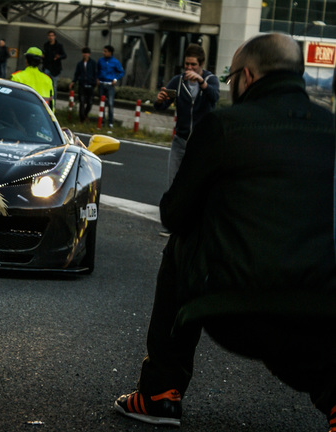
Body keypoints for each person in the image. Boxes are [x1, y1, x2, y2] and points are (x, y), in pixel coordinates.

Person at [113, 33, 336, 430]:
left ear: (247, 77)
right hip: (320, 314)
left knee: (182, 243)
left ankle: (161, 392)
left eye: (232, 79)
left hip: (232, 309)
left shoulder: (223, 126)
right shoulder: (331, 129)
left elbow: (175, 215)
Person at [154, 43, 219, 237]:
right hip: (180, 139)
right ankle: (171, 223)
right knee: (173, 181)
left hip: (201, 142)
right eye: (187, 65)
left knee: (199, 182)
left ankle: (198, 223)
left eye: (193, 65)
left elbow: (214, 97)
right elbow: (163, 105)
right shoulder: (178, 80)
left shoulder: (210, 79)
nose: (189, 69)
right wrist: (160, 100)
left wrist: (202, 82)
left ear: (201, 65)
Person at [11, 47, 54, 111]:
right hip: (41, 117)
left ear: (26, 60)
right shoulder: (48, 79)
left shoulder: (16, 77)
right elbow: (51, 106)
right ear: (39, 62)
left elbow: (11, 103)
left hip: (21, 115)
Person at [97, 45, 125, 128]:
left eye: (105, 51)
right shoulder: (100, 61)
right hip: (101, 84)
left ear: (110, 52)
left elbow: (121, 72)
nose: (103, 53)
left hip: (110, 85)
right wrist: (97, 78)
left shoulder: (115, 62)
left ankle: (110, 122)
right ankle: (101, 121)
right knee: (102, 104)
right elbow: (97, 70)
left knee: (110, 103)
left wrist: (116, 79)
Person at [69, 47, 98, 123]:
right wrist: (73, 82)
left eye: (86, 53)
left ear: (89, 54)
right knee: (82, 102)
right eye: (84, 53)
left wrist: (95, 81)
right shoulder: (80, 64)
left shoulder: (93, 63)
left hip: (90, 84)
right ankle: (81, 118)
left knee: (90, 102)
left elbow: (95, 73)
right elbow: (77, 74)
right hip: (82, 84)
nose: (85, 55)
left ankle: (85, 115)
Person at [42, 30, 66, 102]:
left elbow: (64, 55)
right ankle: (46, 101)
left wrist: (59, 57)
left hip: (55, 69)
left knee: (54, 86)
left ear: (54, 36)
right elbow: (44, 54)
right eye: (49, 36)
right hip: (47, 67)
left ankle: (53, 102)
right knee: (46, 85)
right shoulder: (46, 45)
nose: (51, 37)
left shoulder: (59, 46)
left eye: (52, 36)